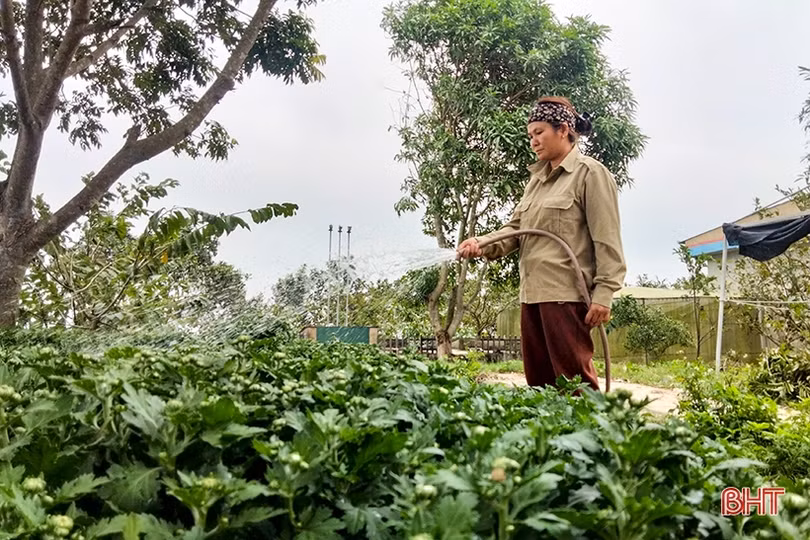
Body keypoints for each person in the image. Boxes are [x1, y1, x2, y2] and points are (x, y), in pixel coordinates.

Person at [457, 96, 626, 392]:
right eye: (530, 135)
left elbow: (607, 238)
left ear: (563, 130)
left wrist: (604, 294)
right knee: (539, 384)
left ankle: (591, 424)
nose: (533, 141)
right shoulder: (536, 180)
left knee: (574, 383)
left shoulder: (590, 173)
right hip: (532, 296)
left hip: (566, 296)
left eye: (539, 132)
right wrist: (481, 243)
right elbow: (516, 229)